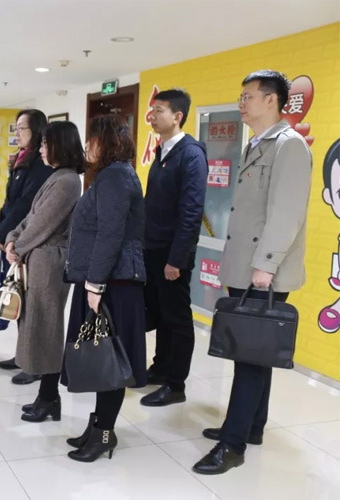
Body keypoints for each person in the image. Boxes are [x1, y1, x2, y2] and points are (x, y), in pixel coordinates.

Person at [193, 70, 312, 475]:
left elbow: (287, 212)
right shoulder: (257, 143)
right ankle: (252, 426)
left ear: (271, 100)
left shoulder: (289, 146)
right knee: (255, 353)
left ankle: (232, 445)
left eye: (248, 96)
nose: (241, 103)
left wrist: (266, 265)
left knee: (248, 357)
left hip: (263, 272)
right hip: (246, 268)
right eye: (240, 96)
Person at [61, 114, 146, 462]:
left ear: (107, 141)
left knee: (110, 360)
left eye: (92, 138)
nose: (87, 146)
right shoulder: (113, 175)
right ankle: (97, 426)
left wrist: (95, 284)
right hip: (106, 280)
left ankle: (104, 434)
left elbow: (110, 234)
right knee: (101, 358)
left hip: (112, 283)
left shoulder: (115, 177)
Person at [5, 121, 83, 423]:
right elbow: (31, 217)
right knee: (36, 325)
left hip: (49, 263)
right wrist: (13, 238)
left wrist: (18, 247)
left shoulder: (67, 181)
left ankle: (50, 397)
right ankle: (45, 396)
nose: (41, 149)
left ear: (61, 145)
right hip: (38, 258)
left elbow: (42, 224)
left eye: (46, 144)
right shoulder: (57, 176)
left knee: (47, 328)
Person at [141, 89, 208, 407]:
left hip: (172, 255)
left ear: (177, 116)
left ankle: (175, 384)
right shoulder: (163, 151)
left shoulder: (191, 155)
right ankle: (160, 367)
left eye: (159, 110)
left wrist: (177, 259)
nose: (152, 116)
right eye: (152, 110)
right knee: (160, 313)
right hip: (153, 249)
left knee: (177, 319)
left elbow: (191, 212)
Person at [0, 109, 54, 385]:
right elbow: (9, 202)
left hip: (29, 243)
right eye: (16, 128)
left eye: (22, 128)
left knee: (32, 307)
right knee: (19, 299)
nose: (16, 133)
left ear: (37, 131)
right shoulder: (22, 159)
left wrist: (6, 235)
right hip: (13, 240)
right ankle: (23, 355)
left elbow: (25, 206)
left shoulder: (41, 166)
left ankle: (35, 364)